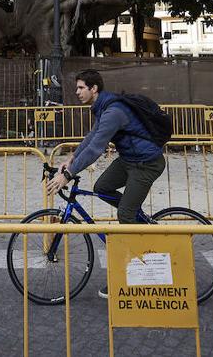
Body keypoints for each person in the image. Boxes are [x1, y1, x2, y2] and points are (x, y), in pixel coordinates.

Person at [45, 69, 166, 299]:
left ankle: (134, 275)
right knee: (102, 188)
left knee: (124, 214)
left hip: (147, 163)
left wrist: (68, 175)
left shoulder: (113, 112)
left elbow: (96, 148)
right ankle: (137, 217)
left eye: (81, 88)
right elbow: (91, 138)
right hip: (130, 160)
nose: (77, 92)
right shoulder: (103, 107)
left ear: (94, 89)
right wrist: (71, 158)